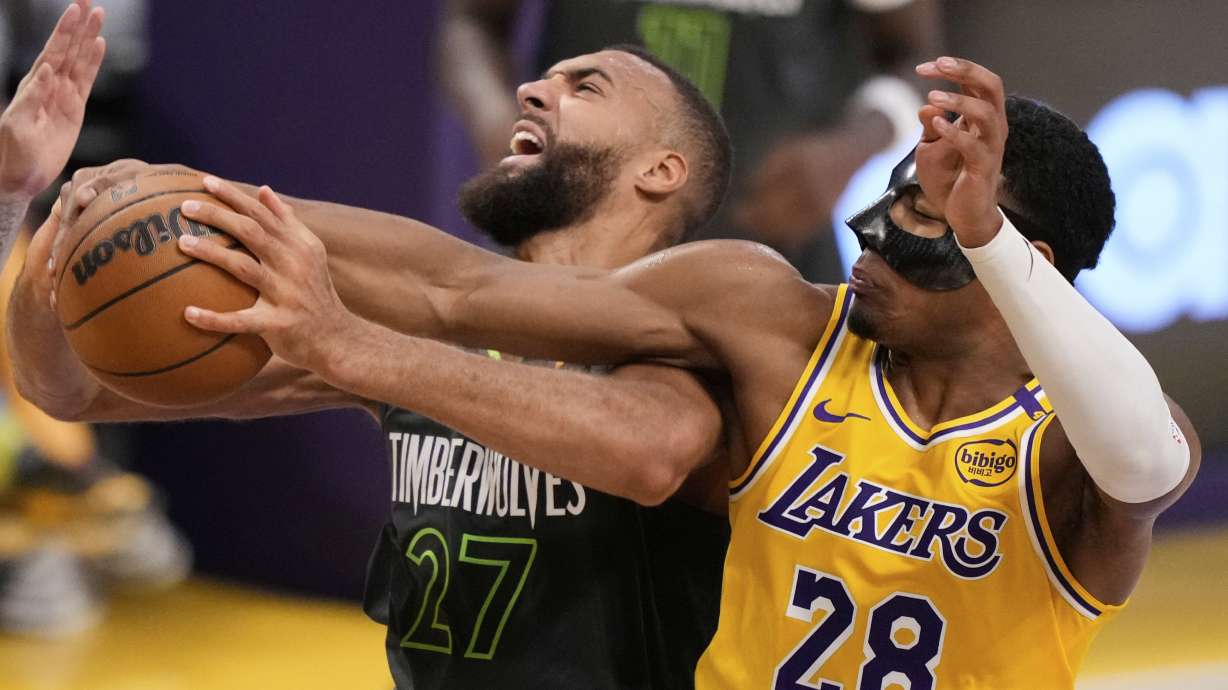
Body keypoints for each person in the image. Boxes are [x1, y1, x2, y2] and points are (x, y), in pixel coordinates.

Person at [18, 57, 1200, 688]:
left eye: (923, 214)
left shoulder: (1063, 454)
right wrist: (105, 210)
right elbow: (460, 292)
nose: (870, 237)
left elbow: (1145, 456)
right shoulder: (775, 322)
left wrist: (352, 339)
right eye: (885, 198)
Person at [9, 44, 735, 688]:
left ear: (660, 168)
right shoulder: (422, 334)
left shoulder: (691, 332)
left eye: (587, 87)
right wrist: (32, 206)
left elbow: (647, 450)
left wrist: (354, 348)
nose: (533, 91)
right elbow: (66, 392)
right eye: (545, 78)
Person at [439, 0, 942, 281]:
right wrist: (502, 125)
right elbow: (472, 22)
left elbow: (916, 57)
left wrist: (848, 150)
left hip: (765, 248)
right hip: (573, 233)